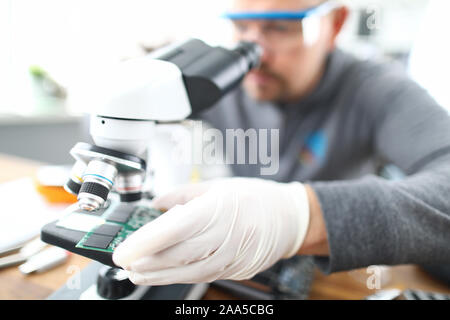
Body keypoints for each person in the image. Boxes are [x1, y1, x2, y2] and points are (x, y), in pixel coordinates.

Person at [112, 0, 450, 286]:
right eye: (242, 27)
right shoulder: (225, 78)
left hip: (333, 282)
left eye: (280, 27)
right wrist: (130, 87)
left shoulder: (377, 89)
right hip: (234, 281)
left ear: (334, 24)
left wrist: (300, 218)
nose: (256, 52)